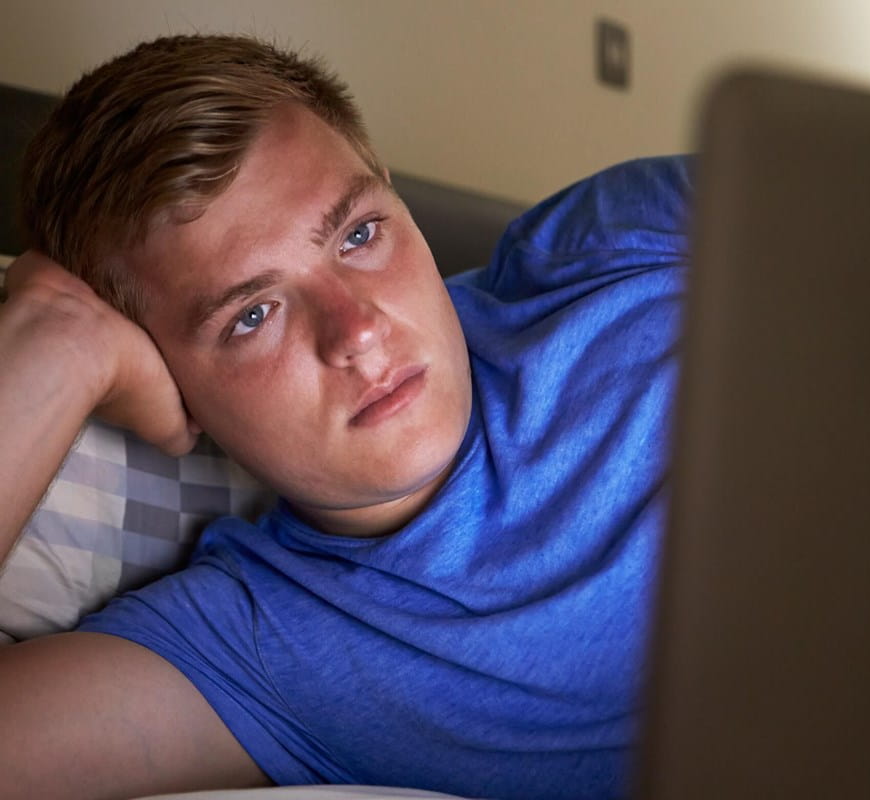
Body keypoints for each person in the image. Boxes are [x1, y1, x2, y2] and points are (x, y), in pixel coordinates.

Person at [0, 34, 691, 800]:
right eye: (253, 316)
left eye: (359, 235)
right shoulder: (261, 646)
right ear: (165, 376)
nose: (357, 331)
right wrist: (54, 349)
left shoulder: (604, 250)